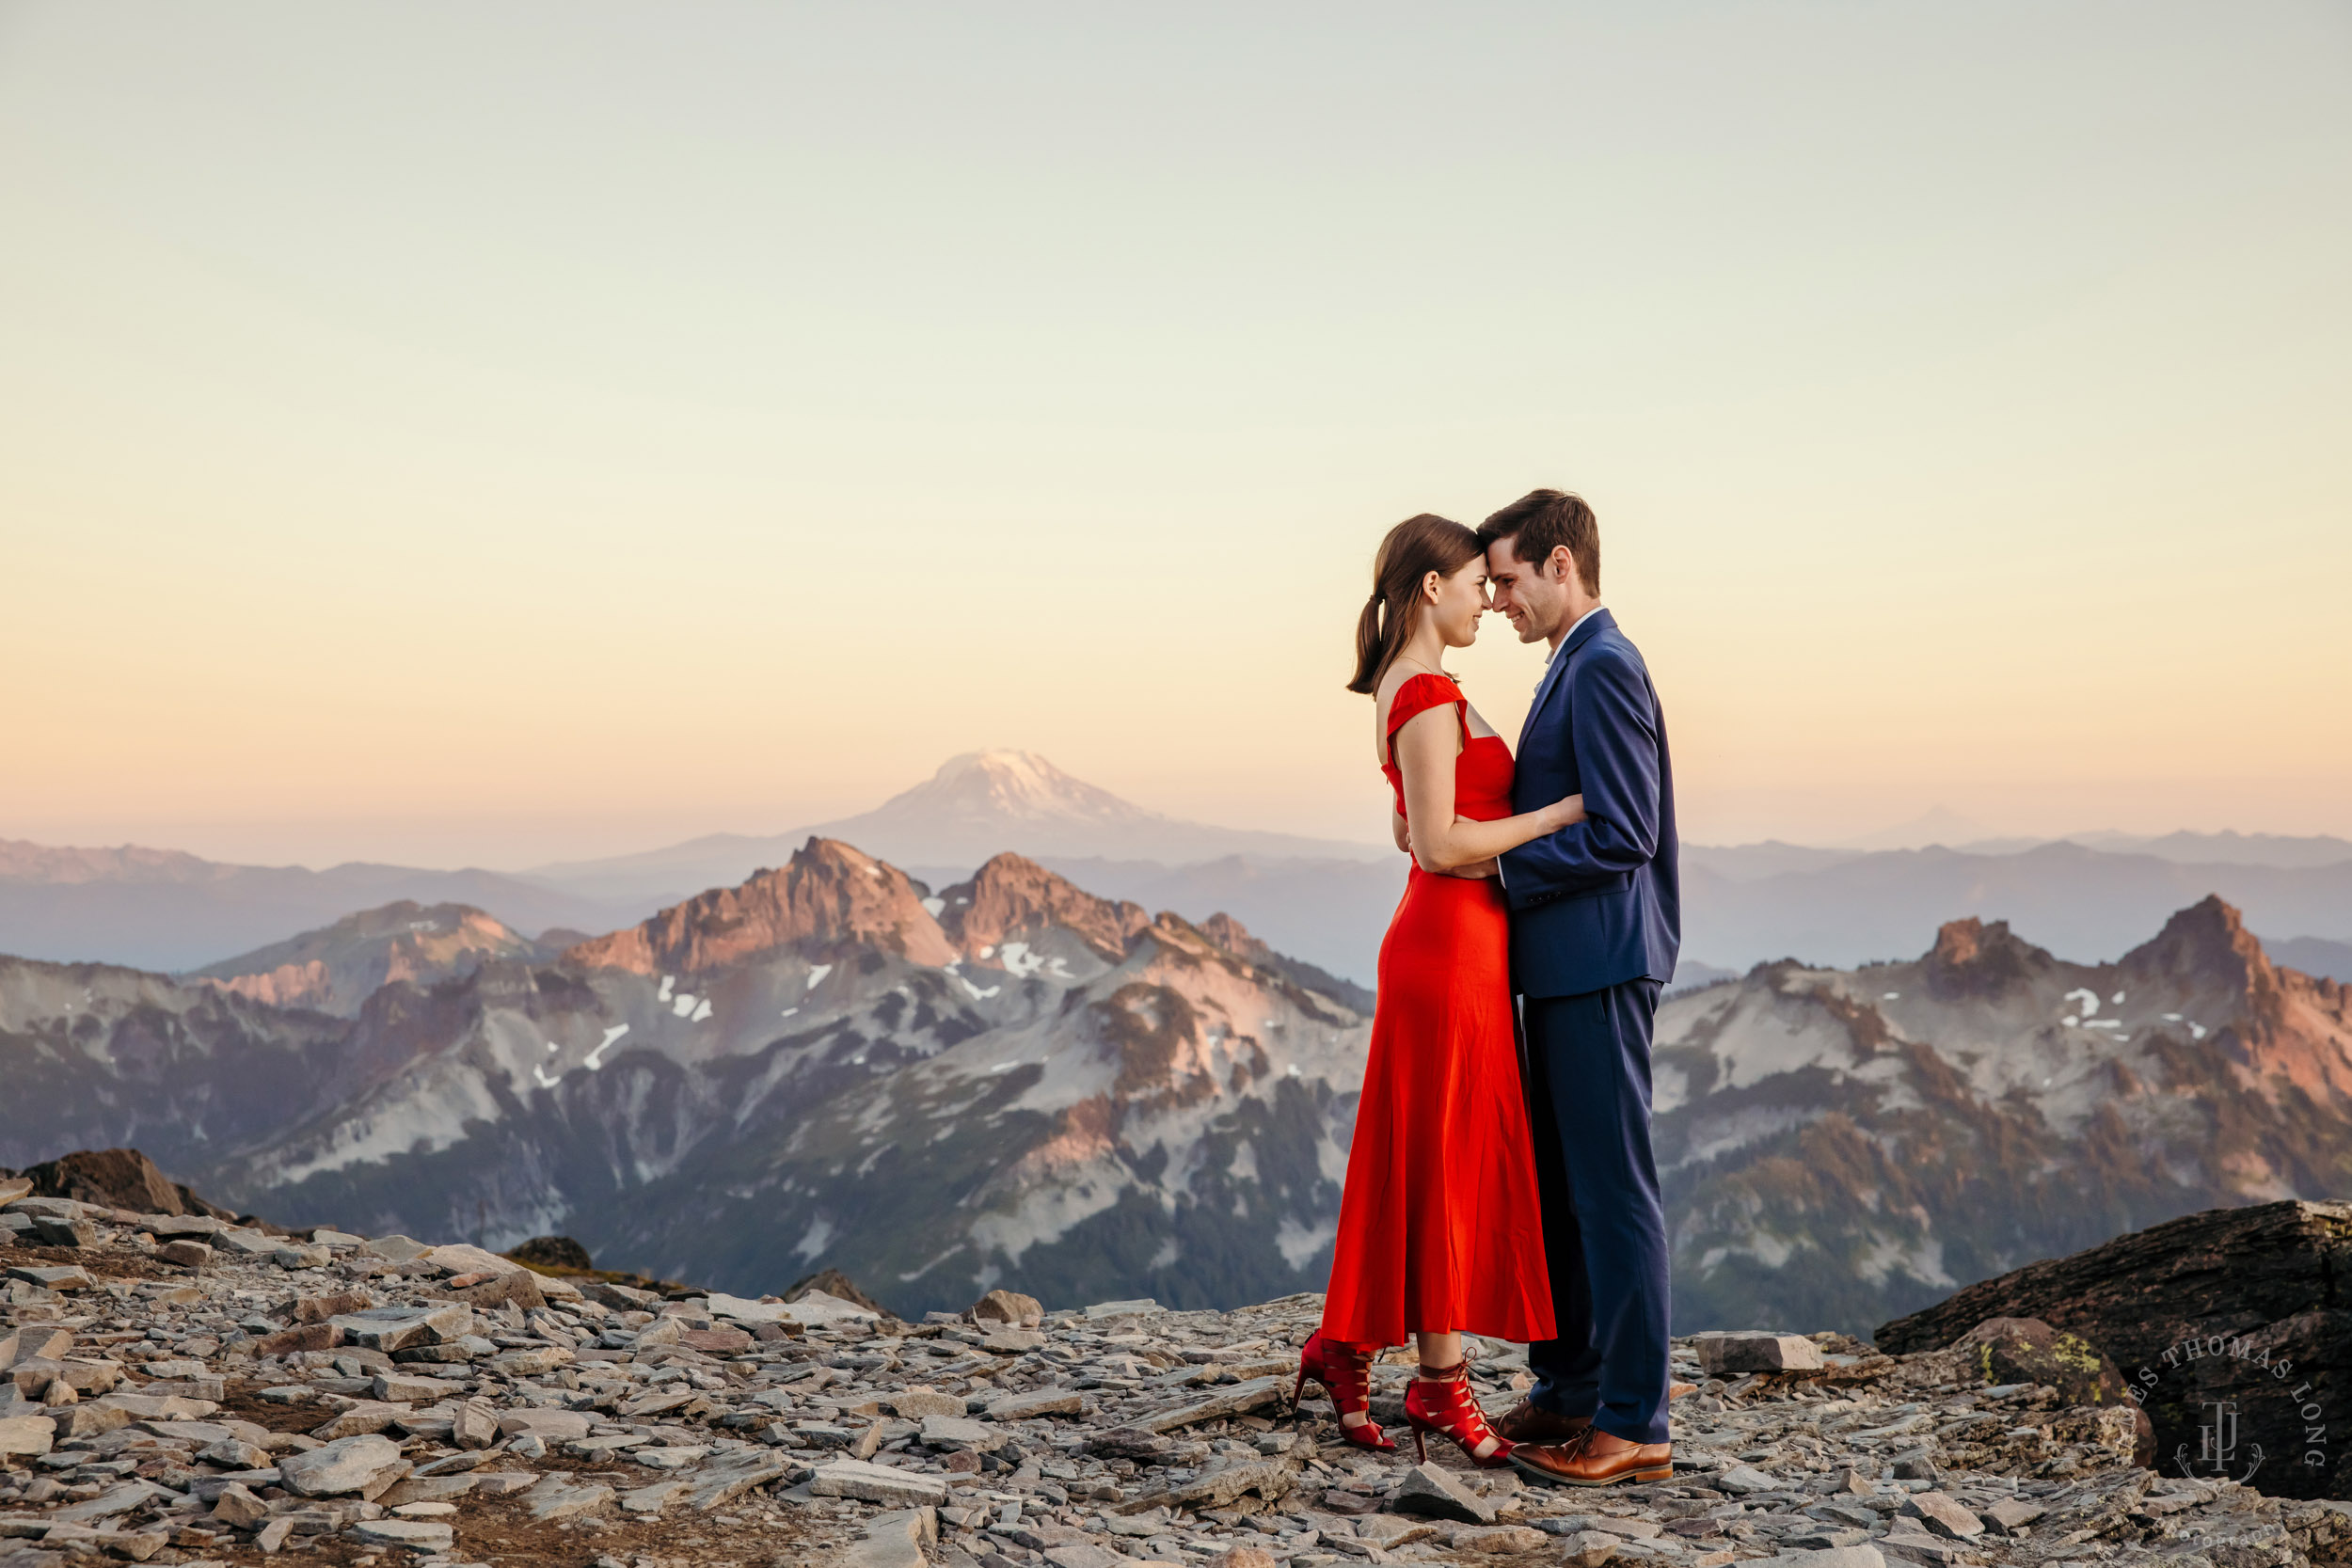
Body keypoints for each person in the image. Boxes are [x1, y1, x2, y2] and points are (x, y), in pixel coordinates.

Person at [1296, 513, 1583, 1468]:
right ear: (1430, 588)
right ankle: (1439, 1382)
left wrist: (1457, 825)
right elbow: (1432, 843)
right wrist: (1549, 816)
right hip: (1446, 947)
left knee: (1427, 1150)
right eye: (1471, 585)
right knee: (1447, 1155)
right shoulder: (1421, 691)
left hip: (1453, 939)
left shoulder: (1420, 690)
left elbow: (1402, 828)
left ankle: (1347, 1348)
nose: (1483, 601)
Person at [1478, 489, 1681, 1488]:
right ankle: (1568, 1386)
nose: (1498, 599)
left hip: (1601, 959)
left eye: (1508, 578)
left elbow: (1624, 828)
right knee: (1560, 1190)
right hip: (1565, 964)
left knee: (1611, 1191)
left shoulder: (1602, 662)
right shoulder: (1569, 662)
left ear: (1562, 564)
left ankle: (1636, 1417)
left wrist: (1504, 874)